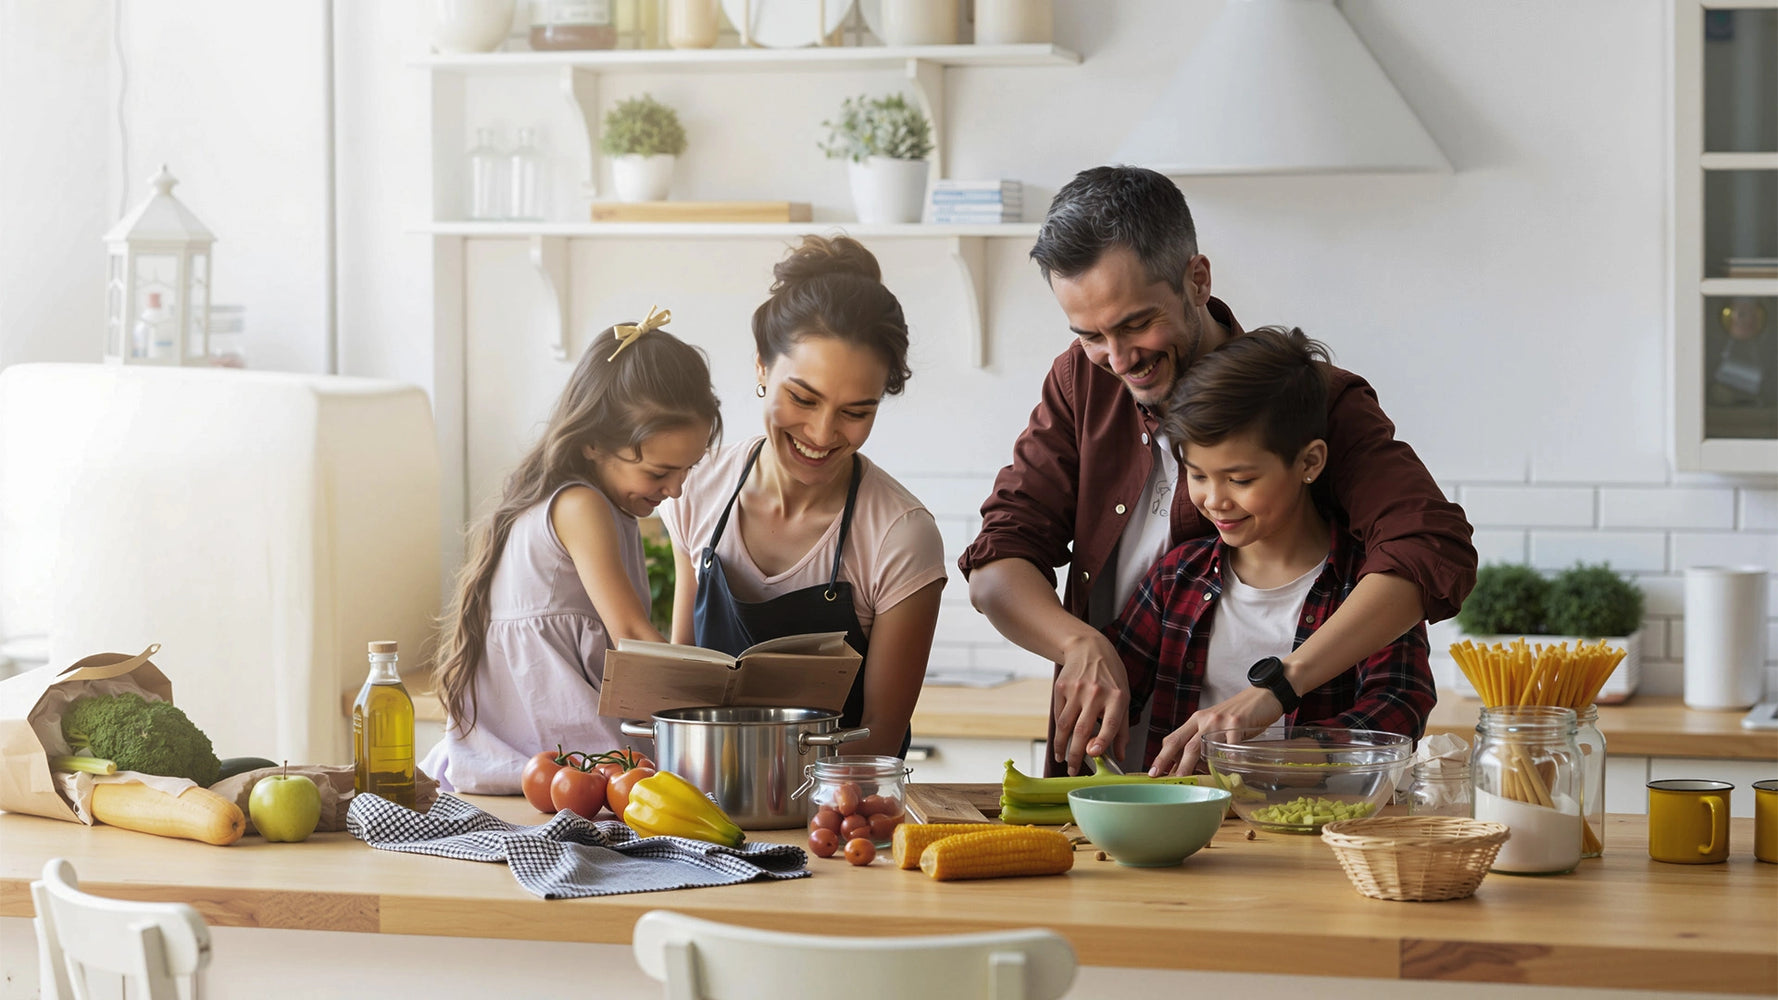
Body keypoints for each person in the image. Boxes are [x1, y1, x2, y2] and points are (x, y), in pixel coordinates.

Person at [959, 165, 1476, 776]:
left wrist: (1277, 695)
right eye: (1090, 334)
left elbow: (1427, 548)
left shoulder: (1312, 400)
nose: (1119, 360)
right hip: (1120, 783)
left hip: (1287, 795)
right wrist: (1079, 644)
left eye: (1135, 324)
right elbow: (997, 564)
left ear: (1197, 279)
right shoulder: (1082, 380)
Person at [661, 235, 947, 759]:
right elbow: (684, 685)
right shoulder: (696, 489)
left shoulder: (899, 535)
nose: (821, 432)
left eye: (856, 412)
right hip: (702, 810)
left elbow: (881, 733)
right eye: (803, 398)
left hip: (839, 817)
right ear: (761, 369)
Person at [1106, 326, 1438, 776]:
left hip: (1316, 825)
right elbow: (1114, 690)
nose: (1215, 500)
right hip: (1183, 828)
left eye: (1240, 480)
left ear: (1309, 463)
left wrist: (1276, 757)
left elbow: (1398, 707)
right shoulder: (1175, 577)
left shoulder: (1369, 587)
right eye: (1198, 475)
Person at [423, 312, 723, 793]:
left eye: (686, 470)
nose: (676, 490)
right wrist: (721, 701)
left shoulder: (594, 504)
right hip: (549, 764)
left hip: (544, 765)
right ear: (592, 444)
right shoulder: (580, 506)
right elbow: (631, 637)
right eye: (659, 472)